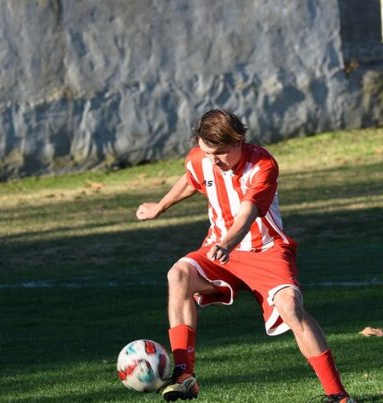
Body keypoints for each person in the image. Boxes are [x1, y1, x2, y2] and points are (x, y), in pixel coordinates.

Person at [136, 109, 353, 403]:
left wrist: (227, 243)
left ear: (239, 141)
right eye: (207, 153)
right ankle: (184, 374)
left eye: (220, 153)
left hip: (265, 251)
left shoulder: (262, 165)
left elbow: (248, 212)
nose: (213, 160)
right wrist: (159, 206)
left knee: (290, 308)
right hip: (219, 250)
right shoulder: (201, 159)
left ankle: (338, 395)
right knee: (178, 275)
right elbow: (191, 178)